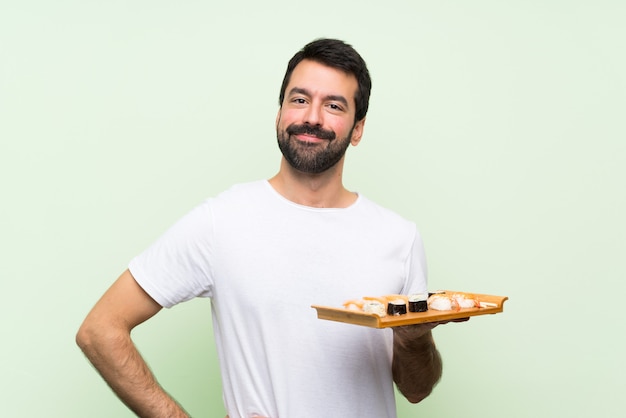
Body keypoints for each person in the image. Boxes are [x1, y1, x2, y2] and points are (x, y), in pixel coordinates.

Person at [76, 38, 450, 418]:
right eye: (299, 100)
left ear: (358, 129)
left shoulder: (399, 238)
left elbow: (416, 389)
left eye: (334, 106)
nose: (312, 117)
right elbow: (100, 330)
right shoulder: (221, 222)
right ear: (279, 113)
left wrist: (414, 340)